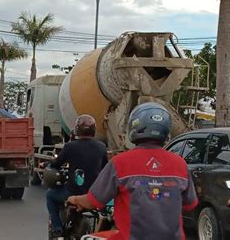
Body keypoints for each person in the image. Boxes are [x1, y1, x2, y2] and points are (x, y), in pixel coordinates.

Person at [68, 102, 198, 240]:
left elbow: (93, 201)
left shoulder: (120, 162)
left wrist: (75, 199)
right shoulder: (180, 164)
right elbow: (190, 204)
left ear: (134, 127)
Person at [46, 114, 108, 239]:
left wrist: (47, 165)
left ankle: (57, 229)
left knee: (50, 195)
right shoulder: (101, 147)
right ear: (93, 130)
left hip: (72, 192)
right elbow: (105, 168)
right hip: (93, 194)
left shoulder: (70, 146)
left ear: (77, 130)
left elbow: (56, 164)